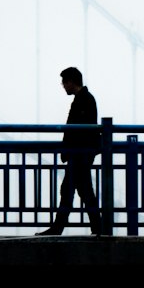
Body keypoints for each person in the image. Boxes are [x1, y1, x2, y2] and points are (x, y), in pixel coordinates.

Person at [38, 67, 106, 236]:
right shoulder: (85, 98)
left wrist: (68, 149)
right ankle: (97, 227)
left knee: (70, 190)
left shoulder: (84, 100)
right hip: (80, 153)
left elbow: (78, 130)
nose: (63, 86)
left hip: (79, 153)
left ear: (71, 81)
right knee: (82, 191)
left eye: (64, 82)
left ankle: (58, 228)